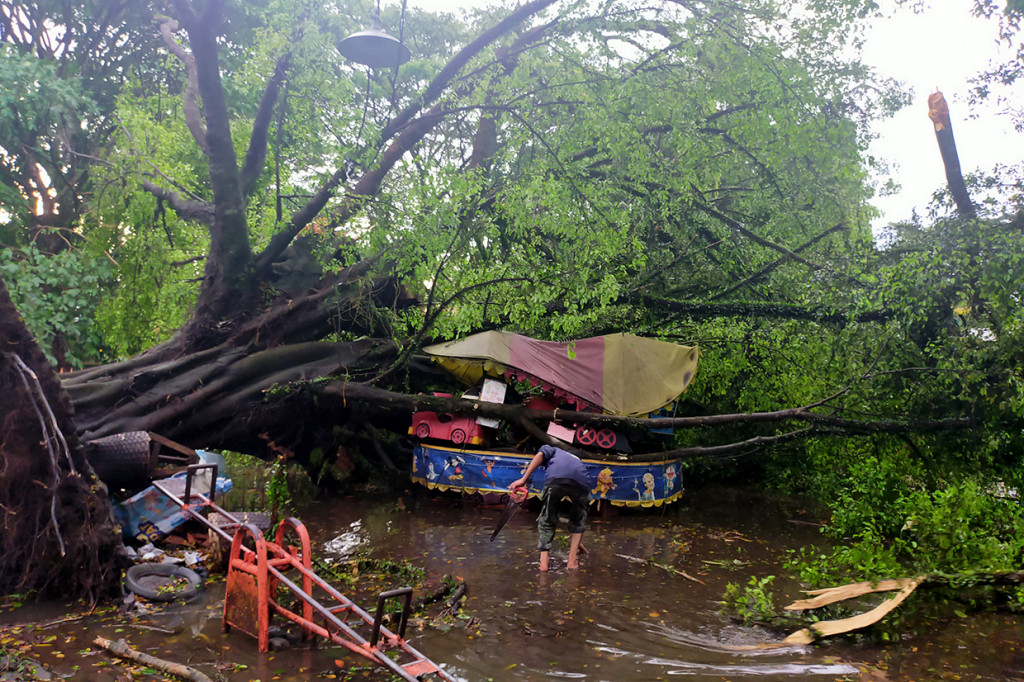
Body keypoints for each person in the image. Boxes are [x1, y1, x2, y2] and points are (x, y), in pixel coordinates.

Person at [509, 443, 592, 571]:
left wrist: (523, 479)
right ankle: (572, 561)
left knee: (548, 518)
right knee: (578, 519)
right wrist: (578, 543)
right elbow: (578, 527)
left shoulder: (554, 450)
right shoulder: (578, 462)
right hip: (582, 483)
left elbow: (541, 454)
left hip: (556, 479)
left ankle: (543, 564)